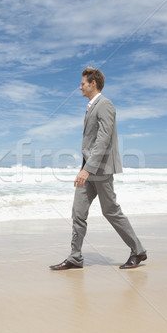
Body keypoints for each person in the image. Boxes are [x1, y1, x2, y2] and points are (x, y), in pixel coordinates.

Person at [50, 67, 147, 270]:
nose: (80, 87)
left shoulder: (105, 104)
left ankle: (137, 251)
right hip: (88, 168)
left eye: (83, 83)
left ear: (93, 83)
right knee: (78, 212)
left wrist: (88, 169)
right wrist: (84, 168)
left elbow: (103, 140)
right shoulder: (90, 106)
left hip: (101, 170)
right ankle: (75, 257)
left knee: (111, 211)